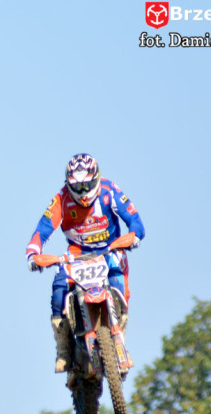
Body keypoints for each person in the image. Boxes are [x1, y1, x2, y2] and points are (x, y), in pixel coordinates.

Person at [26, 153, 145, 372]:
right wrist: (33, 253)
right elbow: (43, 228)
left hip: (110, 250)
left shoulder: (110, 191)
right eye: (77, 187)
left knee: (121, 289)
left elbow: (135, 220)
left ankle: (121, 340)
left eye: (87, 185)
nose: (82, 192)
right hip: (76, 255)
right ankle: (63, 349)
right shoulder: (61, 199)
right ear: (68, 184)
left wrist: (135, 235)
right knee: (58, 290)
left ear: (96, 178)